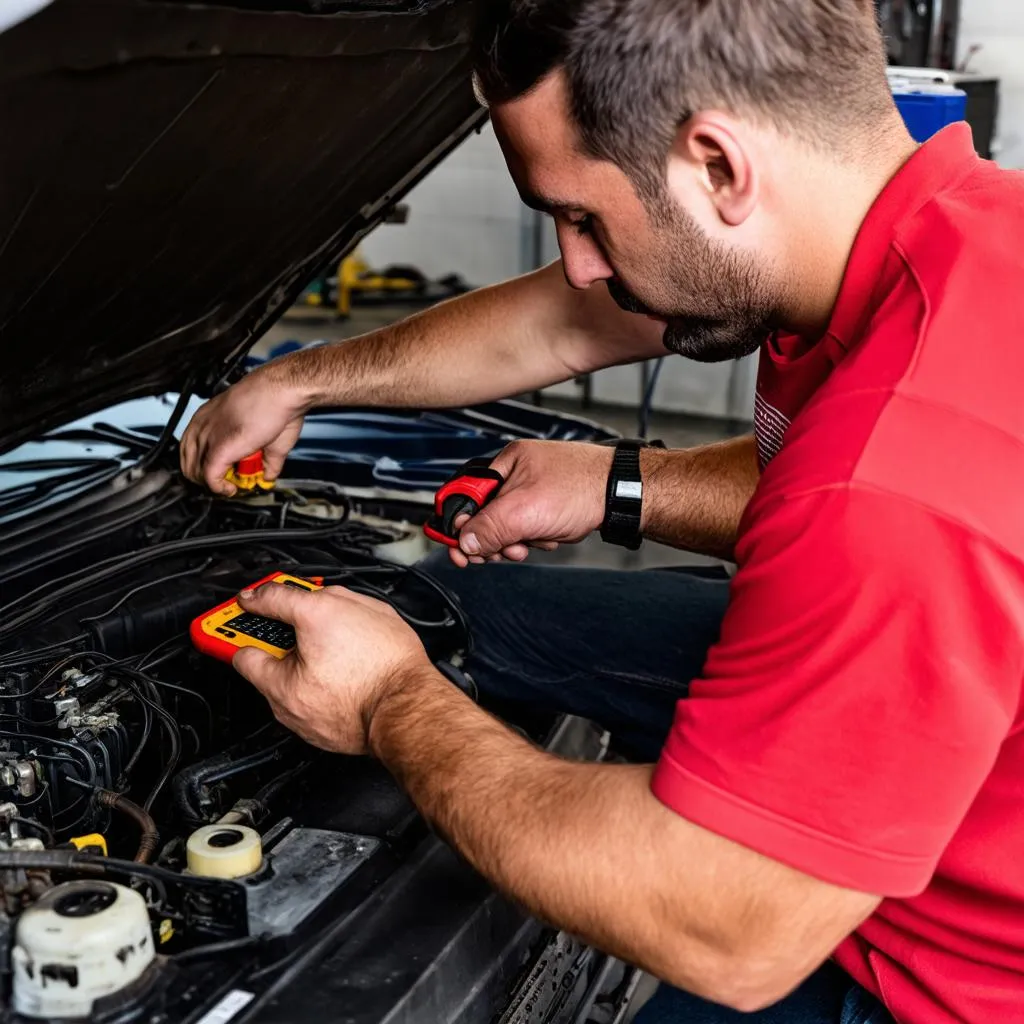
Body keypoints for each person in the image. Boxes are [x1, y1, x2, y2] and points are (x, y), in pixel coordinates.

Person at [180, 1, 1024, 1021]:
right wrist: (304, 380)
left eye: (581, 216)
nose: (576, 261)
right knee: (459, 610)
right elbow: (572, 316)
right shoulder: (960, 225)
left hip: (935, 969)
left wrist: (391, 703)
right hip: (946, 759)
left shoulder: (890, 479)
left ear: (717, 165)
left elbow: (729, 925)